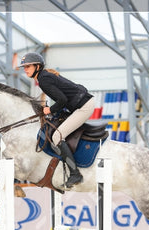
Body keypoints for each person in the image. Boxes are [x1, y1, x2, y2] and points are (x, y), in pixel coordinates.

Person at [18, 52, 95, 188]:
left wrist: (49, 110)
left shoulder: (43, 80)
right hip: (80, 103)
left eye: (28, 66)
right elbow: (63, 98)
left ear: (37, 66)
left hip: (83, 107)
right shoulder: (44, 76)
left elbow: (62, 100)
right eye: (24, 67)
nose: (25, 69)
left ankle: (75, 173)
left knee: (57, 137)